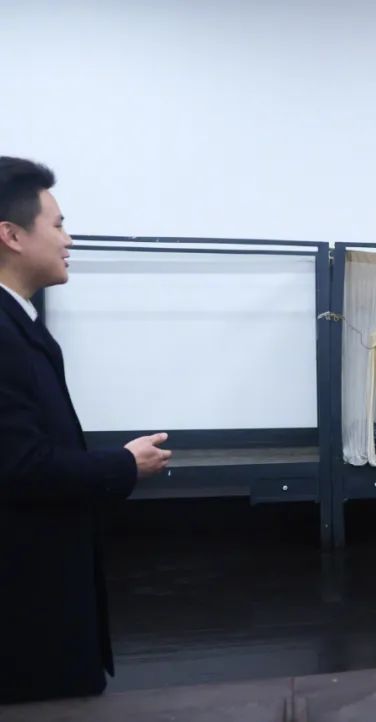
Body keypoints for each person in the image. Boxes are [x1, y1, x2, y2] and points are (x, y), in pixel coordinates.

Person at [0, 156, 172, 703]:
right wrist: (123, 464)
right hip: (24, 601)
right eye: (57, 225)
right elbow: (20, 466)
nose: (68, 240)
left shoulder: (18, 322)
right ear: (11, 235)